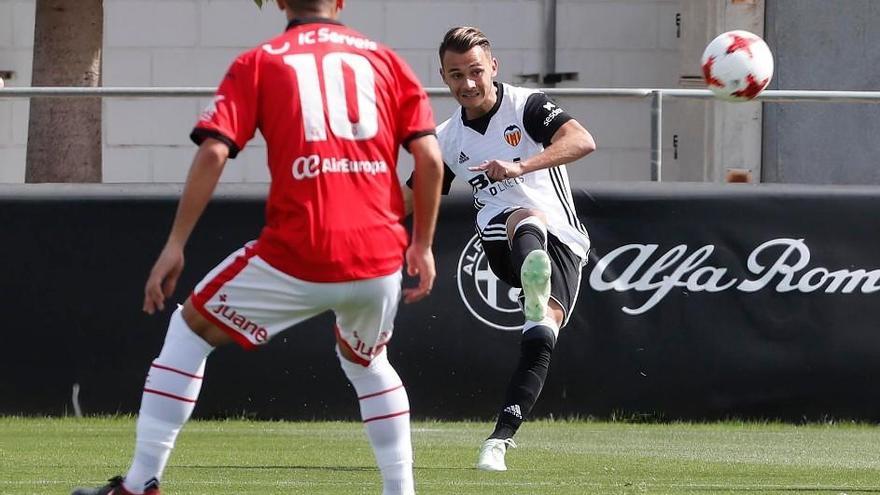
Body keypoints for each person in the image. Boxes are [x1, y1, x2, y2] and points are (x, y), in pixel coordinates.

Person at [72, 1, 443, 494]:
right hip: (379, 254)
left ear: (282, 2)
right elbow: (430, 159)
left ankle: (140, 485)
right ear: (340, 2)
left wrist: (175, 244)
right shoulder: (387, 61)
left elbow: (213, 151)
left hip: (298, 251)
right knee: (368, 361)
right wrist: (423, 244)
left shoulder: (262, 60)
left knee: (189, 332)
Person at [406, 26, 596, 472]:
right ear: (443, 76)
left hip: (564, 242)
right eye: (456, 75)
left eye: (475, 71)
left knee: (541, 332)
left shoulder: (527, 106)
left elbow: (582, 140)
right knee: (518, 216)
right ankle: (531, 262)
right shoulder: (446, 139)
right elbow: (411, 195)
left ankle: (499, 441)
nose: (467, 83)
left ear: (493, 66)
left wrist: (521, 165)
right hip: (504, 237)